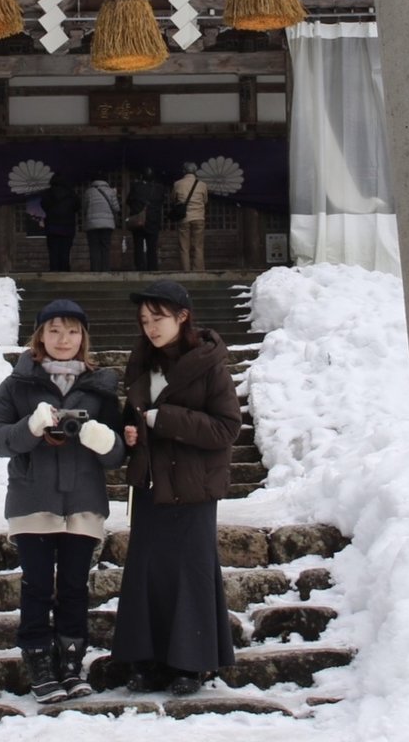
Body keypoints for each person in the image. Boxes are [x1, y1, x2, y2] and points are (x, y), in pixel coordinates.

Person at [0, 299, 125, 704]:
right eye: (55, 330)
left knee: (76, 589)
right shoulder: (18, 384)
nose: (64, 340)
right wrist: (31, 427)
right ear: (40, 335)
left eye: (73, 331)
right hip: (33, 501)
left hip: (84, 502)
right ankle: (39, 664)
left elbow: (118, 455)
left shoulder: (101, 385)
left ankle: (71, 664)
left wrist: (102, 439)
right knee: (37, 587)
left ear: (84, 338)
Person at [110, 279, 241, 697]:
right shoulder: (141, 362)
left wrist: (160, 419)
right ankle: (146, 660)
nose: (150, 327)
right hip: (150, 485)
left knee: (191, 572)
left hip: (194, 487)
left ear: (183, 316)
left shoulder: (209, 364)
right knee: (147, 572)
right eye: (145, 319)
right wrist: (130, 431)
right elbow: (134, 416)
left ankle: (191, 663)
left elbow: (227, 428)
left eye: (159, 318)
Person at [125, 167, 164, 271]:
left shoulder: (136, 187)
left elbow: (128, 201)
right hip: (153, 221)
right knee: (152, 247)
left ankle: (140, 267)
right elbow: (161, 202)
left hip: (139, 220)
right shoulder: (159, 188)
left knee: (138, 246)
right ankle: (152, 268)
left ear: (142, 176)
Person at [172, 161, 208, 273]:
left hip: (184, 218)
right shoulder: (202, 185)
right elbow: (205, 200)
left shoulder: (177, 184)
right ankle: (198, 271)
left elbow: (174, 199)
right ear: (195, 171)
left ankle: (186, 272)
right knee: (198, 246)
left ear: (184, 171)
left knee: (184, 247)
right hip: (198, 217)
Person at [40, 174, 79, 272]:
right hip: (67, 227)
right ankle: (64, 272)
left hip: (52, 227)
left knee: (53, 251)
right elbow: (77, 207)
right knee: (65, 251)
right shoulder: (71, 194)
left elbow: (43, 205)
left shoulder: (47, 193)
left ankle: (54, 272)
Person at [81, 174, 120, 272]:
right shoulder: (110, 191)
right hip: (107, 225)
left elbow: (84, 208)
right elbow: (116, 208)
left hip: (92, 224)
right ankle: (105, 270)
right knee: (105, 247)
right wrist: (115, 194)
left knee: (94, 248)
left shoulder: (88, 192)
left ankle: (95, 270)